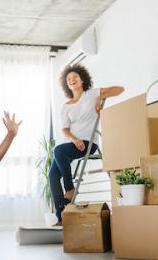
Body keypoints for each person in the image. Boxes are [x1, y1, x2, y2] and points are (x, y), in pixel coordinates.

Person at [49, 64, 124, 225]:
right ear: (66, 84)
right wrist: (74, 139)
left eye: (75, 76)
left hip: (88, 143)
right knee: (52, 175)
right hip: (72, 144)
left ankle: (69, 189)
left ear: (82, 79)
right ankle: (61, 217)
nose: (72, 80)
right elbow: (65, 130)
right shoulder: (66, 106)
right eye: (69, 79)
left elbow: (120, 89)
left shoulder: (91, 94)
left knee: (58, 150)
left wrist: (100, 98)